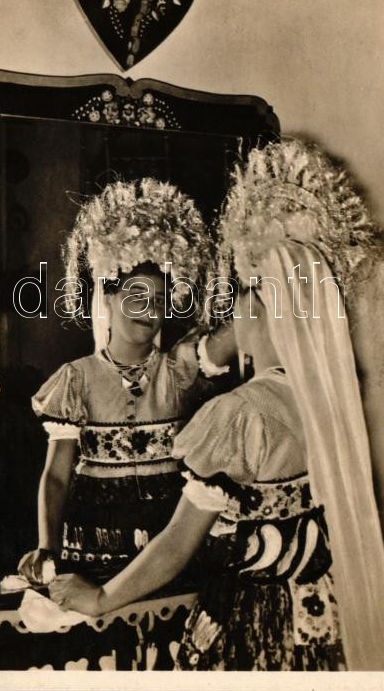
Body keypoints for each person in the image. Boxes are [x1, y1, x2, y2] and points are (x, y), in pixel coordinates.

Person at [49, 140, 384, 671]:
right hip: (325, 617)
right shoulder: (329, 397)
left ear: (265, 305)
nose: (232, 314)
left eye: (240, 297)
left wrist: (99, 599)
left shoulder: (240, 413)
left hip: (257, 621)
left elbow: (177, 543)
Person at [18, 178, 235, 668]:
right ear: (109, 298)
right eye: (137, 294)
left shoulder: (179, 369)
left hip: (170, 542)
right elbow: (57, 476)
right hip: (96, 545)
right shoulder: (75, 379)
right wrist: (47, 546)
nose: (150, 308)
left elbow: (234, 333)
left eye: (160, 297)